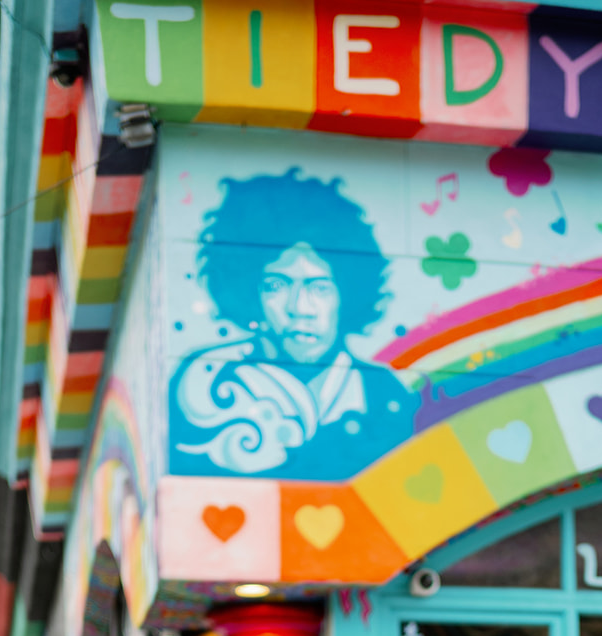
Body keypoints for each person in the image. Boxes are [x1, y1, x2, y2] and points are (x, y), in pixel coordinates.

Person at [169, 168, 418, 478]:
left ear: (348, 295)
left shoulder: (382, 393)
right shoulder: (206, 382)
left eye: (319, 288)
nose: (300, 308)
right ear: (249, 293)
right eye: (277, 285)